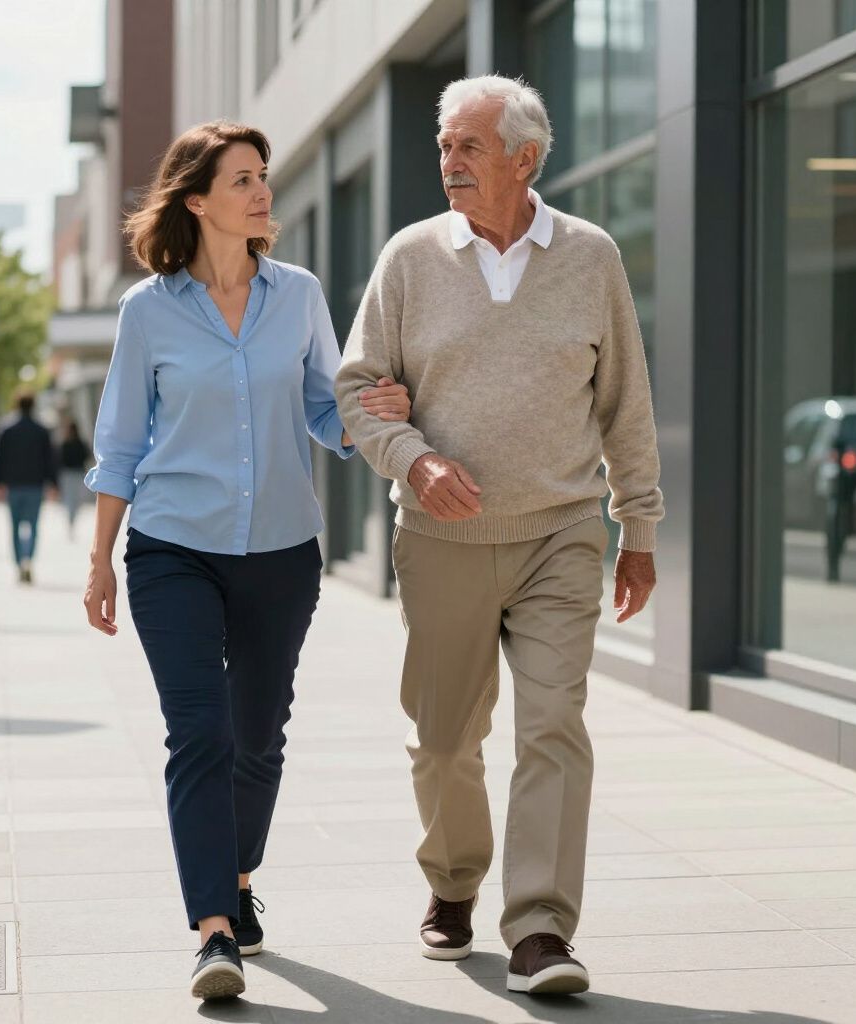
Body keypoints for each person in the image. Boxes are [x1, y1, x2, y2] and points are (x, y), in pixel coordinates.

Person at [335, 75, 664, 997]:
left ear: (524, 159)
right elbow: (357, 388)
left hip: (561, 528)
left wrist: (637, 525)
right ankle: (453, 883)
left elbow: (625, 402)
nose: (448, 162)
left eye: (467, 147)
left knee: (555, 723)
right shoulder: (409, 260)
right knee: (444, 739)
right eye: (444, 145)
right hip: (442, 540)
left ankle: (541, 930)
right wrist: (413, 459)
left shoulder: (591, 259)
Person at [81, 120, 411, 1002]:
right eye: (242, 180)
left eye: (263, 177)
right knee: (200, 732)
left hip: (279, 548)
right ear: (197, 201)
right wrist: (100, 559)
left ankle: (236, 879)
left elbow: (321, 407)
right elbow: (120, 442)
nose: (263, 192)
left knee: (258, 735)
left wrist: (367, 413)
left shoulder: (297, 296)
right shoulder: (147, 311)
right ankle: (214, 933)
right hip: (170, 548)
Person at [0, 391, 57, 584]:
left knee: (15, 526)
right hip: (35, 485)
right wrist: (53, 483)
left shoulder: (7, 429)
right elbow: (50, 459)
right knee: (33, 526)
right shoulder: (42, 430)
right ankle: (28, 559)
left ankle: (19, 561)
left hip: (13, 485)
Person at [57, 420, 91, 538]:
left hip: (77, 473)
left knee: (77, 500)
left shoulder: (79, 443)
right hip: (68, 474)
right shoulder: (65, 444)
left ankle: (72, 519)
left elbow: (87, 456)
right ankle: (71, 521)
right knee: (70, 499)